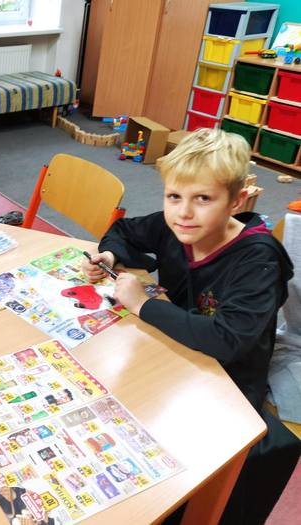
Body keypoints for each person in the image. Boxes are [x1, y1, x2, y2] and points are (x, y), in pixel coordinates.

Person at [82, 128, 299, 525]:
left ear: (236, 201)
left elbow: (228, 340)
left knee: (165, 467)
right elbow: (124, 231)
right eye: (173, 197)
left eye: (203, 198)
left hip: (227, 379)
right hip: (172, 350)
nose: (183, 212)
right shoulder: (177, 226)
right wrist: (110, 256)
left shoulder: (258, 259)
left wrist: (143, 304)